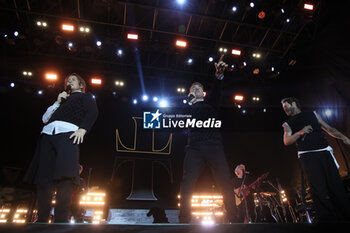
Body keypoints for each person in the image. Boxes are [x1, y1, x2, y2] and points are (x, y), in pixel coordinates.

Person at [24, 73, 98, 223]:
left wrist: (83, 129)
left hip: (68, 134)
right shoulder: (61, 100)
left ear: (81, 85)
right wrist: (58, 102)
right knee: (44, 177)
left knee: (66, 176)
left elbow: (93, 112)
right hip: (47, 134)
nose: (69, 81)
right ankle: (42, 218)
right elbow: (45, 119)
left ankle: (60, 219)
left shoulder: (86, 96)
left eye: (73, 80)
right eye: (67, 81)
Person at [178, 59, 237, 223]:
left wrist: (218, 76)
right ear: (190, 92)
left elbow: (217, 91)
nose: (196, 89)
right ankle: (184, 218)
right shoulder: (187, 107)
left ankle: (233, 217)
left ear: (203, 92)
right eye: (193, 88)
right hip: (194, 148)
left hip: (213, 146)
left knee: (224, 180)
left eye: (199, 88)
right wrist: (188, 102)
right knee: (187, 181)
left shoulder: (210, 104)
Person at [281, 97, 350, 222]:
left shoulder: (312, 114)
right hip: (308, 156)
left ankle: (345, 216)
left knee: (335, 184)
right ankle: (326, 221)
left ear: (294, 103)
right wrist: (300, 132)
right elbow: (286, 141)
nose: (284, 109)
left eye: (286, 106)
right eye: (283, 108)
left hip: (324, 152)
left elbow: (328, 128)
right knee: (318, 188)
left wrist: (344, 137)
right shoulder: (288, 124)